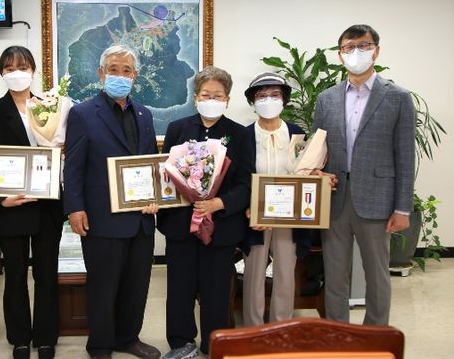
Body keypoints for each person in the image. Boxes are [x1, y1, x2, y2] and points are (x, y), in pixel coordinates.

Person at [313, 24, 415, 325]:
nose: (356, 52)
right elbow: (318, 149)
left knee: (377, 273)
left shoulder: (397, 97)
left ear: (376, 51)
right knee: (335, 274)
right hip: (335, 198)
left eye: (363, 46)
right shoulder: (326, 98)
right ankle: (338, 333)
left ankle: (376, 333)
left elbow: (405, 156)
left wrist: (403, 209)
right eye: (349, 47)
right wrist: (317, 173)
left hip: (377, 199)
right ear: (340, 54)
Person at [63, 45, 160, 359]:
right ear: (101, 74)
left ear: (135, 76)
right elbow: (73, 166)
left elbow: (150, 163)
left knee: (137, 284)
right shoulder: (82, 113)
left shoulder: (144, 114)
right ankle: (101, 344)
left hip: (140, 218)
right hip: (101, 217)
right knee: (103, 286)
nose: (120, 75)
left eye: (126, 70)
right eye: (113, 69)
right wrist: (74, 208)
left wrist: (156, 196)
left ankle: (128, 338)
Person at [157, 66, 255, 358]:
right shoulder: (177, 128)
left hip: (221, 224)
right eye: (205, 94)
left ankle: (215, 344)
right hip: (181, 223)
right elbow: (166, 174)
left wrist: (219, 203)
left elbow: (246, 181)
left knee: (216, 290)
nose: (211, 100)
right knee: (180, 287)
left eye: (218, 95)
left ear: (227, 99)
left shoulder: (240, 134)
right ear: (195, 97)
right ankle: (181, 343)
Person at [0, 46, 65, 359]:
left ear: (33, 71)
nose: (17, 73)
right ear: (2, 73)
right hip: (11, 206)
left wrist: (61, 153)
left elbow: (62, 148)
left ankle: (46, 337)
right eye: (10, 68)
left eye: (23, 67)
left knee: (46, 273)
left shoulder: (51, 107)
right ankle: (19, 338)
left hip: (46, 205)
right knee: (15, 276)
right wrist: (0, 200)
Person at [241, 72, 310, 326]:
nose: (268, 100)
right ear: (253, 101)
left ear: (284, 99)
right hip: (255, 216)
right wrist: (248, 207)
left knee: (285, 271)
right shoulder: (244, 135)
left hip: (288, 214)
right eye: (261, 96)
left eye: (274, 95)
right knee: (254, 272)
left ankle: (281, 326)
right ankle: (253, 328)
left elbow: (305, 172)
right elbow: (239, 177)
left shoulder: (296, 134)